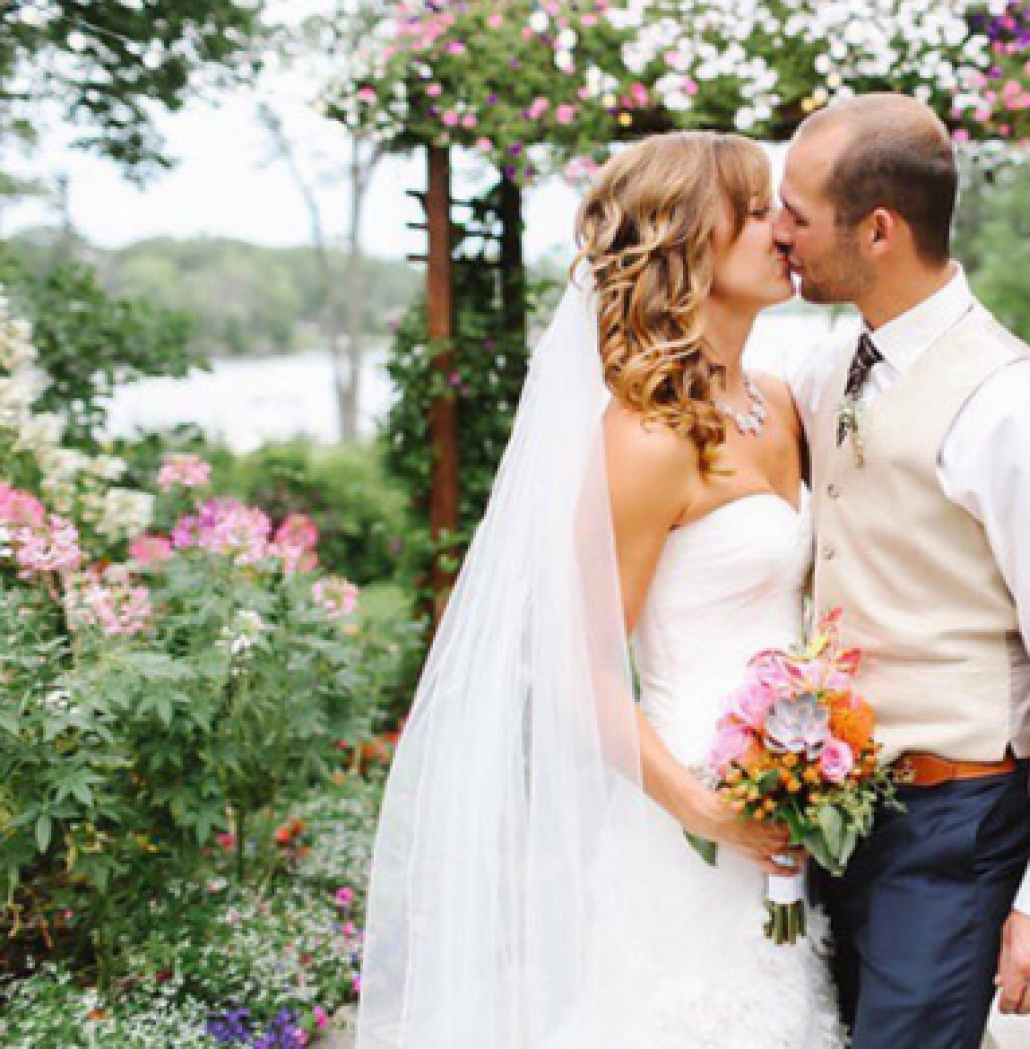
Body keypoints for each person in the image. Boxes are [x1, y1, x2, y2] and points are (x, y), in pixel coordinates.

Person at [355, 132, 843, 1048]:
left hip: (798, 796)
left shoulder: (780, 402)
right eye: (756, 209)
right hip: (689, 818)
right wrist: (704, 809)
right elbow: (577, 670)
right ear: (691, 240)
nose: (784, 226)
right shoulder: (648, 438)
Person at [775, 93, 1030, 1049]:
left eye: (797, 214)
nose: (779, 234)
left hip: (955, 824)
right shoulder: (824, 372)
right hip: (833, 814)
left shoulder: (1018, 412)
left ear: (880, 229)